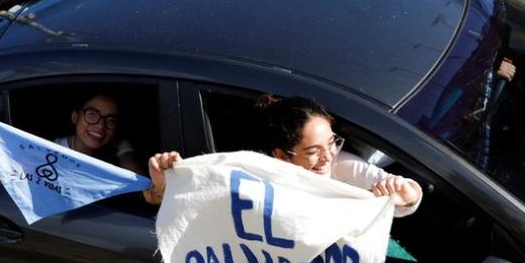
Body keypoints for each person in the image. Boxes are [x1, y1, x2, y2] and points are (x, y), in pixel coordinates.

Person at [144, 95, 422, 216]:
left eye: (332, 143)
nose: (327, 157)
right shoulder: (257, 178)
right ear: (281, 155)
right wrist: (163, 187)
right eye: (313, 152)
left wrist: (405, 193)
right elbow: (203, 197)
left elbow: (405, 193)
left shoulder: (341, 164)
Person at [0, 93, 142, 183]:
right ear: (75, 117)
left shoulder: (118, 145)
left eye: (110, 120)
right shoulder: (50, 153)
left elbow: (138, 180)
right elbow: (15, 180)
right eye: (92, 115)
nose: (100, 125)